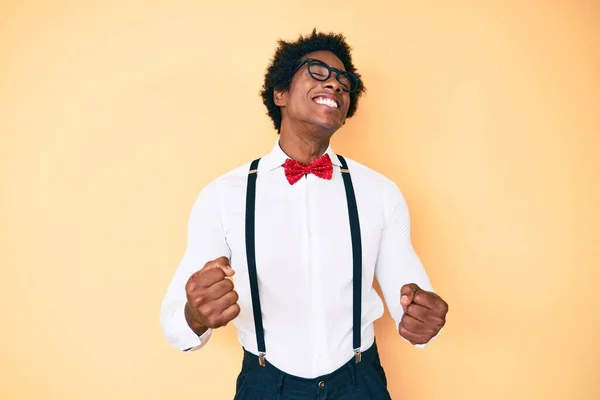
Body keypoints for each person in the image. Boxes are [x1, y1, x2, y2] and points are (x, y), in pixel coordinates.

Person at [160, 30, 449, 399]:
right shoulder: (222, 196)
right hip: (265, 384)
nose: (336, 84)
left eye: (346, 83)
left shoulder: (380, 192)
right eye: (318, 71)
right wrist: (195, 315)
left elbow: (410, 297)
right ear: (279, 93)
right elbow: (175, 323)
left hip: (360, 382)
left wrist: (422, 318)